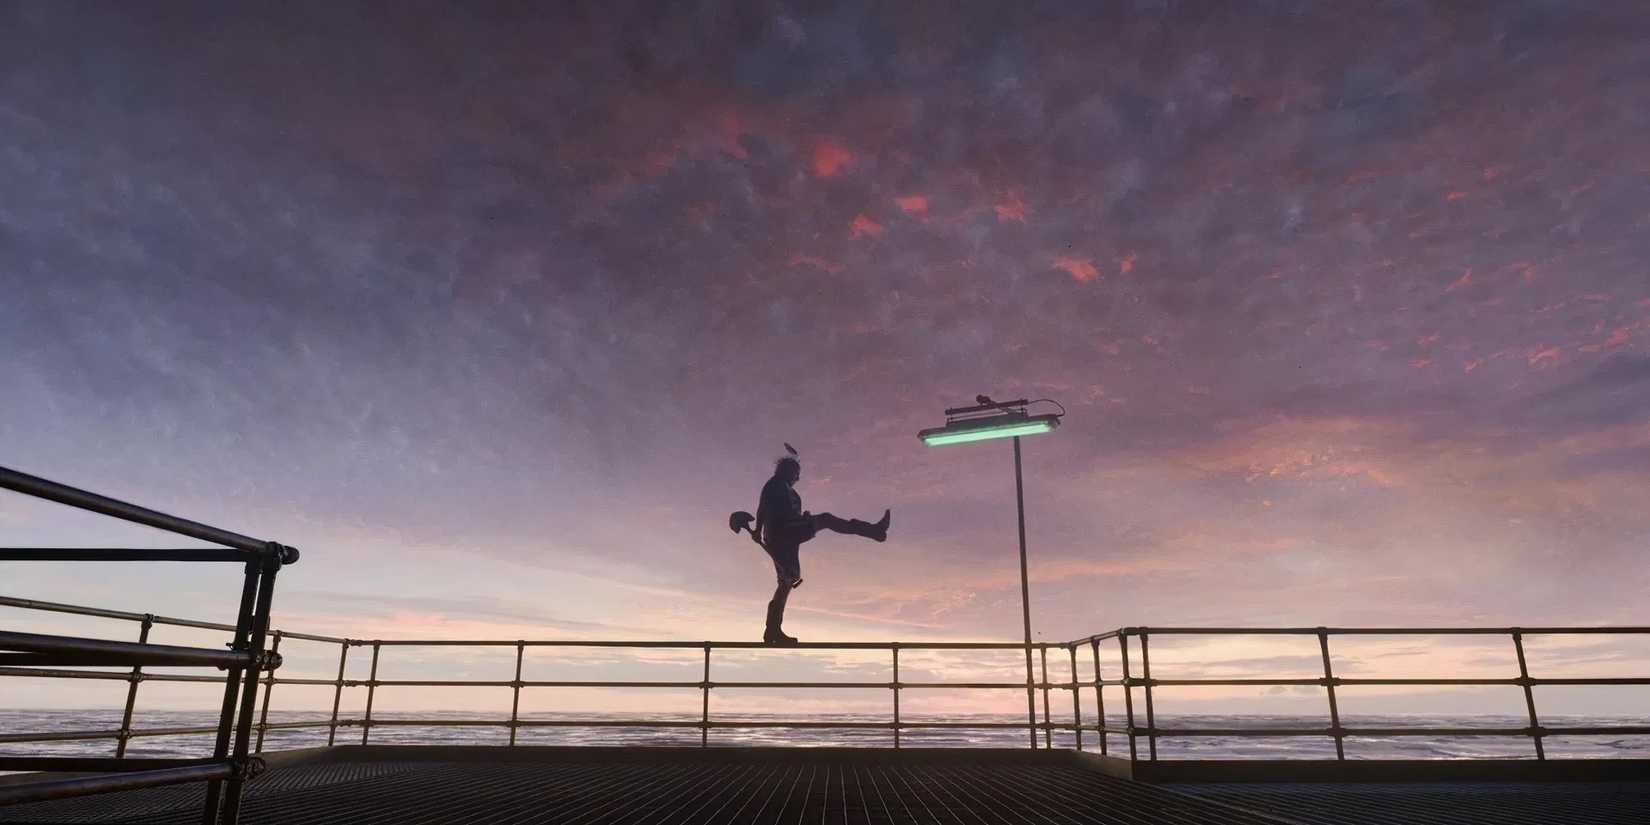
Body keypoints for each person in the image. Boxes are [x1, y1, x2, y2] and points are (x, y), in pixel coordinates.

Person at [752, 455, 891, 644]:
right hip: (784, 533)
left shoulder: (785, 490)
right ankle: (874, 531)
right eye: (796, 474)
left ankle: (772, 631)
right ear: (787, 470)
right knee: (826, 519)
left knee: (786, 581)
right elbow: (763, 509)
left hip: (786, 535)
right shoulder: (774, 485)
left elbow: (786, 513)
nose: (798, 478)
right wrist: (758, 530)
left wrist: (804, 519)